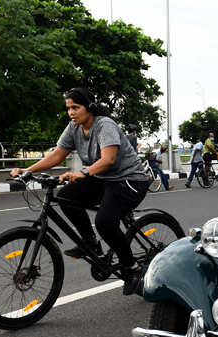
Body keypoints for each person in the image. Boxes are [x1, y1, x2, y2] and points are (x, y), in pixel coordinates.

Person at [10, 88, 149, 295]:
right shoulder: (73, 127)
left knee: (104, 221)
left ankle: (132, 269)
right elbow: (56, 155)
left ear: (89, 107)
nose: (71, 112)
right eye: (68, 108)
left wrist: (83, 172)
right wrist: (27, 170)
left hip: (129, 180)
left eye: (76, 107)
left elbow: (108, 159)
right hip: (102, 179)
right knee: (66, 196)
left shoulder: (105, 125)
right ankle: (90, 242)